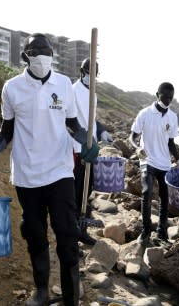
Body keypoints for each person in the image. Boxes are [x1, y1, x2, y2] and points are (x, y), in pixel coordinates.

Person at [0, 33, 99, 306]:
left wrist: (87, 141)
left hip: (60, 171)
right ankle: (41, 292)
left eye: (46, 50)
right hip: (27, 176)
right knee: (35, 236)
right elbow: (6, 131)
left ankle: (71, 299)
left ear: (52, 55)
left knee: (67, 236)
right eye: (36, 50)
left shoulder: (64, 84)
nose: (42, 55)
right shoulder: (12, 88)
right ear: (25, 56)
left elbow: (73, 124)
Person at [128, 82, 179, 245]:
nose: (167, 100)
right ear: (157, 95)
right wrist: (137, 148)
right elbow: (132, 137)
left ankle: (162, 232)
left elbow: (171, 143)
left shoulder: (172, 117)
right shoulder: (144, 114)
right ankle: (146, 231)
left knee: (165, 198)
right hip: (147, 159)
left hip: (164, 163)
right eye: (165, 97)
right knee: (147, 192)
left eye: (170, 98)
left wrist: (178, 158)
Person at [72, 58, 112, 246]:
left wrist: (102, 129)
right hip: (77, 148)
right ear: (82, 71)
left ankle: (82, 230)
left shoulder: (92, 94)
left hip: (91, 148)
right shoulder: (73, 91)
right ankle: (73, 234)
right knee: (77, 190)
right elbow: (69, 121)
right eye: (88, 71)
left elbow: (92, 120)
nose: (91, 75)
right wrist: (79, 143)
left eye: (94, 72)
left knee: (87, 189)